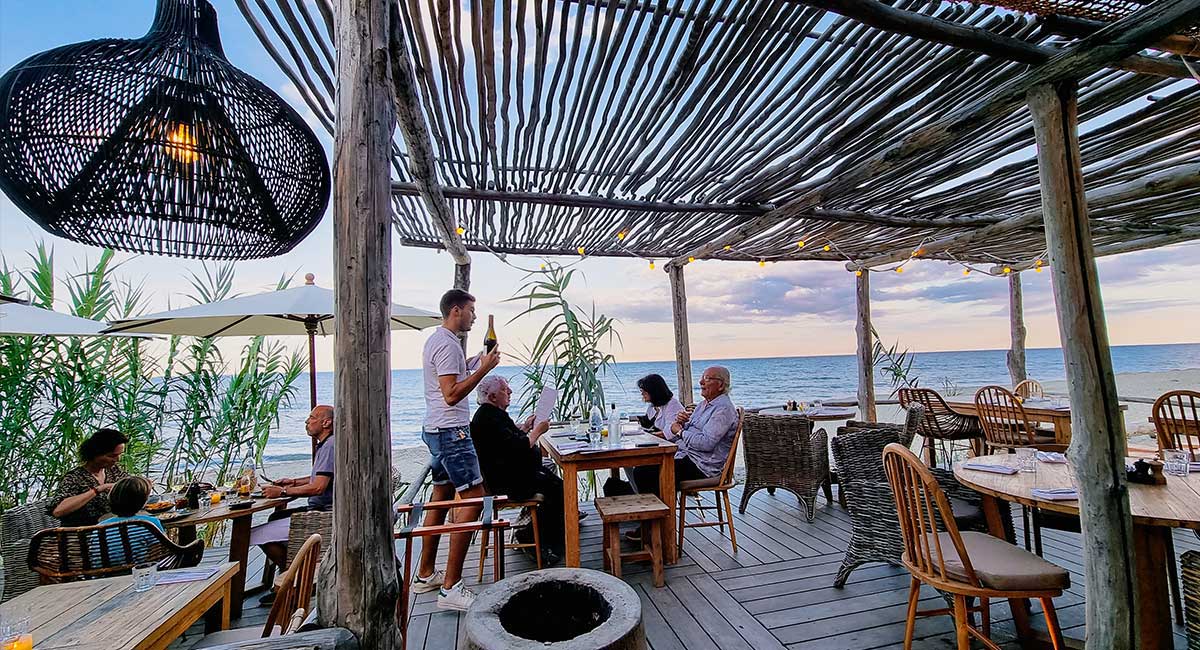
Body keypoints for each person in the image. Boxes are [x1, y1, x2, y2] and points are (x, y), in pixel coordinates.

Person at [412, 289, 501, 611]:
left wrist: (476, 360)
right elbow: (451, 394)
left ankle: (424, 574)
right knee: (476, 499)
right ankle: (451, 587)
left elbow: (449, 376)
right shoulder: (447, 343)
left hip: (436, 428)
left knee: (440, 497)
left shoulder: (440, 341)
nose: (475, 317)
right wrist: (483, 371)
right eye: (472, 311)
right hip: (452, 431)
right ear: (456, 310)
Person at [470, 376, 565, 565]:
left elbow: (508, 438)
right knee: (559, 490)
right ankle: (534, 538)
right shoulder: (489, 418)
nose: (510, 392)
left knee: (555, 483)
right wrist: (537, 431)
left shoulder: (490, 414)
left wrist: (526, 426)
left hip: (509, 474)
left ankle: (539, 534)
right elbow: (519, 446)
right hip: (508, 482)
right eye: (506, 390)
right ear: (493, 396)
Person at [249, 405, 336, 572]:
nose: (307, 421)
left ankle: (292, 577)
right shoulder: (327, 444)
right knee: (276, 517)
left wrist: (282, 492)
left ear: (326, 422)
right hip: (321, 509)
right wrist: (294, 482)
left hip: (323, 514)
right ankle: (294, 571)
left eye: (312, 418)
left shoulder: (330, 446)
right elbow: (322, 476)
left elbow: (318, 487)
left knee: (253, 535)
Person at [630, 366, 739, 497]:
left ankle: (660, 514)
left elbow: (706, 443)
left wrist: (680, 432)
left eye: (707, 378)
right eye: (702, 378)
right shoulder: (703, 405)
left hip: (702, 466)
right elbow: (681, 431)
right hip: (687, 457)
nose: (701, 382)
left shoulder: (723, 409)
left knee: (644, 472)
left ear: (720, 385)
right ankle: (655, 512)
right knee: (644, 468)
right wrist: (682, 424)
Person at [48, 428, 135, 527]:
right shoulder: (74, 478)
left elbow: (130, 485)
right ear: (95, 454)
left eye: (120, 455)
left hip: (109, 529)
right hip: (81, 533)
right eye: (111, 456)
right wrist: (98, 490)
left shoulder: (113, 471)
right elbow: (58, 511)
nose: (117, 460)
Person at [97, 476, 164, 565]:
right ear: (143, 501)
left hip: (104, 575)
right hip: (140, 572)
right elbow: (158, 553)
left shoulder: (99, 527)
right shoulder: (150, 523)